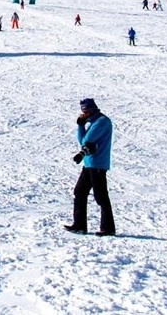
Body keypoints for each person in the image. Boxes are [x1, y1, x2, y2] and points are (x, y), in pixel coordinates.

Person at [64, 98, 116, 236]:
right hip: (89, 164)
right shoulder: (93, 123)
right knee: (80, 192)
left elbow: (86, 140)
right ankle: (79, 225)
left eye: (86, 111)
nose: (84, 114)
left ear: (92, 109)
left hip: (97, 164)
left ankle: (108, 228)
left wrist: (81, 126)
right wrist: (81, 126)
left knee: (101, 196)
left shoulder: (102, 122)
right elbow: (83, 142)